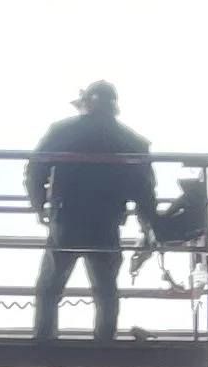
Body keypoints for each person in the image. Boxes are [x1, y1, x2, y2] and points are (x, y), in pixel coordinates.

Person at [27, 80, 157, 347]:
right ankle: (105, 341)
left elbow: (36, 169)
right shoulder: (131, 141)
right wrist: (148, 226)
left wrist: (39, 204)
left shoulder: (62, 131)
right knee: (105, 288)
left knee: (50, 286)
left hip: (67, 218)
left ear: (85, 104)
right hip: (106, 220)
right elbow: (144, 189)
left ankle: (44, 340)